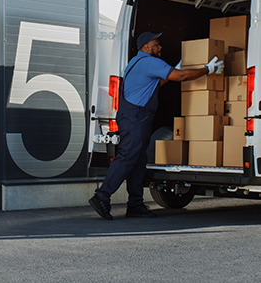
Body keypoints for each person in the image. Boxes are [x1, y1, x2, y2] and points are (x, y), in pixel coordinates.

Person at [89, 32, 224, 220]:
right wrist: (207, 69)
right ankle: (101, 196)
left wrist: (172, 71)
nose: (160, 47)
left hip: (134, 118)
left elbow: (155, 84)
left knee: (138, 162)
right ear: (146, 46)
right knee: (127, 157)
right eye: (156, 44)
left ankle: (135, 204)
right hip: (136, 119)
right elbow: (182, 76)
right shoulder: (149, 62)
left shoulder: (137, 62)